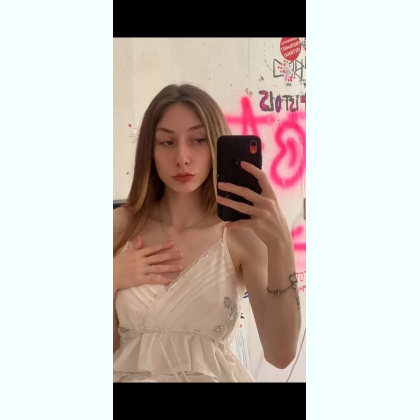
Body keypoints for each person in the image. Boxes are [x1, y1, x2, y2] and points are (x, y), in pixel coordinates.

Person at [113, 83, 301, 382]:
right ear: (150, 149)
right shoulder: (119, 227)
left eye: (198, 140)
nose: (182, 157)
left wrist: (281, 245)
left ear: (217, 145)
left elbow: (281, 354)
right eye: (167, 142)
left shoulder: (240, 234)